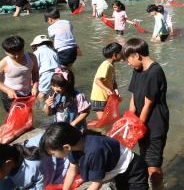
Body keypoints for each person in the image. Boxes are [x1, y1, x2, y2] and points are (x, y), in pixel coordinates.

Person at [40, 122, 149, 190]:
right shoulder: (75, 145)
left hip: (133, 170)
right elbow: (72, 170)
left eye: (53, 154)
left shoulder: (94, 151)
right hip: (117, 170)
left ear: (66, 147)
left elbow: (97, 183)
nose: (54, 156)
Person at [123, 38, 169, 189]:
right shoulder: (137, 70)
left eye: (128, 59)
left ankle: (158, 186)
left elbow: (148, 105)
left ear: (136, 55)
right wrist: (129, 121)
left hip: (155, 124)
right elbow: (133, 97)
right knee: (144, 158)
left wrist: (138, 127)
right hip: (140, 123)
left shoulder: (155, 72)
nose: (128, 63)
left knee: (153, 165)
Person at [0, 36, 39, 112]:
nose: (17, 56)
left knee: (28, 114)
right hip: (10, 96)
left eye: (20, 52)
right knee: (14, 117)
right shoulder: (4, 63)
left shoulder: (32, 57)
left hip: (27, 93)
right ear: (6, 52)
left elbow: (35, 72)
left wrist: (35, 86)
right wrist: (7, 90)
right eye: (13, 54)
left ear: (23, 48)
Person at [90, 42, 122, 120]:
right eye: (121, 53)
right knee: (102, 121)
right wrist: (107, 89)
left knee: (107, 119)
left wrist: (116, 90)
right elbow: (97, 81)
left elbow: (113, 81)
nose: (122, 55)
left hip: (105, 97)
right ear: (115, 55)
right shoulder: (106, 65)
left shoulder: (111, 65)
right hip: (99, 98)